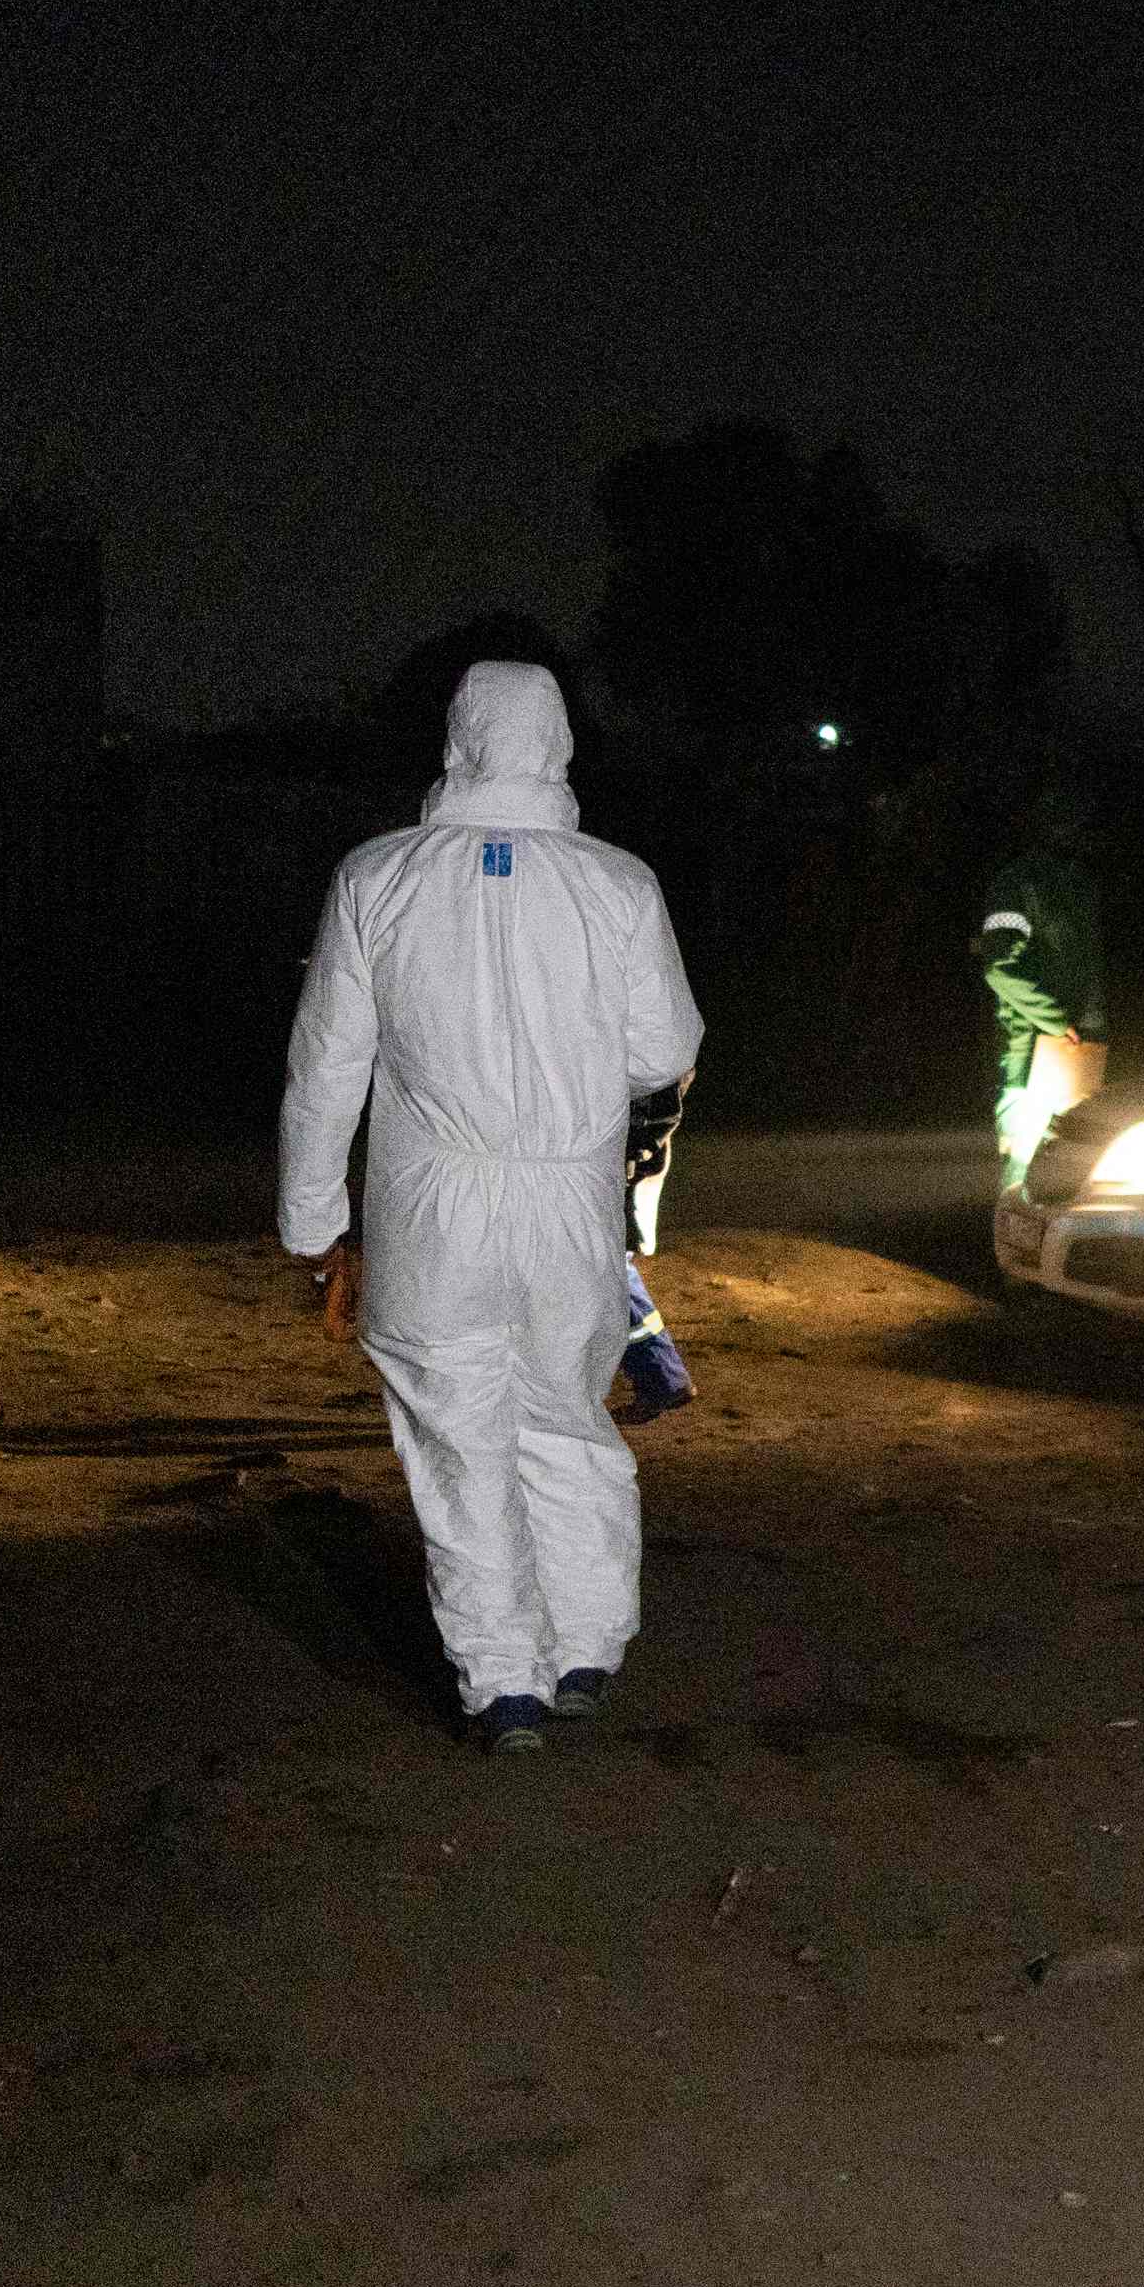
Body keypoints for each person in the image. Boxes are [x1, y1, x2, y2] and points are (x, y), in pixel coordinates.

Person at [281, 661, 704, 1754]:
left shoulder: (377, 877)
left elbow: (326, 1064)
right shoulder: (619, 883)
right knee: (565, 1414)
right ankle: (586, 1647)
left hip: (435, 1207)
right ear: (558, 744)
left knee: (458, 1437)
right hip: (568, 1203)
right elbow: (665, 1051)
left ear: (459, 740)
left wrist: (312, 1221)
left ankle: (501, 1680)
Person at [978, 779, 1108, 1188]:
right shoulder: (1016, 885)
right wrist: (1054, 1019)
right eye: (1073, 824)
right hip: (1033, 1051)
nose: (1083, 833)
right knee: (1021, 1173)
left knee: (1067, 1176)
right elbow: (998, 966)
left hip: (1078, 1048)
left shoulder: (1081, 883)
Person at [617, 1074, 694, 1423]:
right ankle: (663, 1377)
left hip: (608, 1158)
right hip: (612, 1154)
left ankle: (663, 1378)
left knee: (605, 1269)